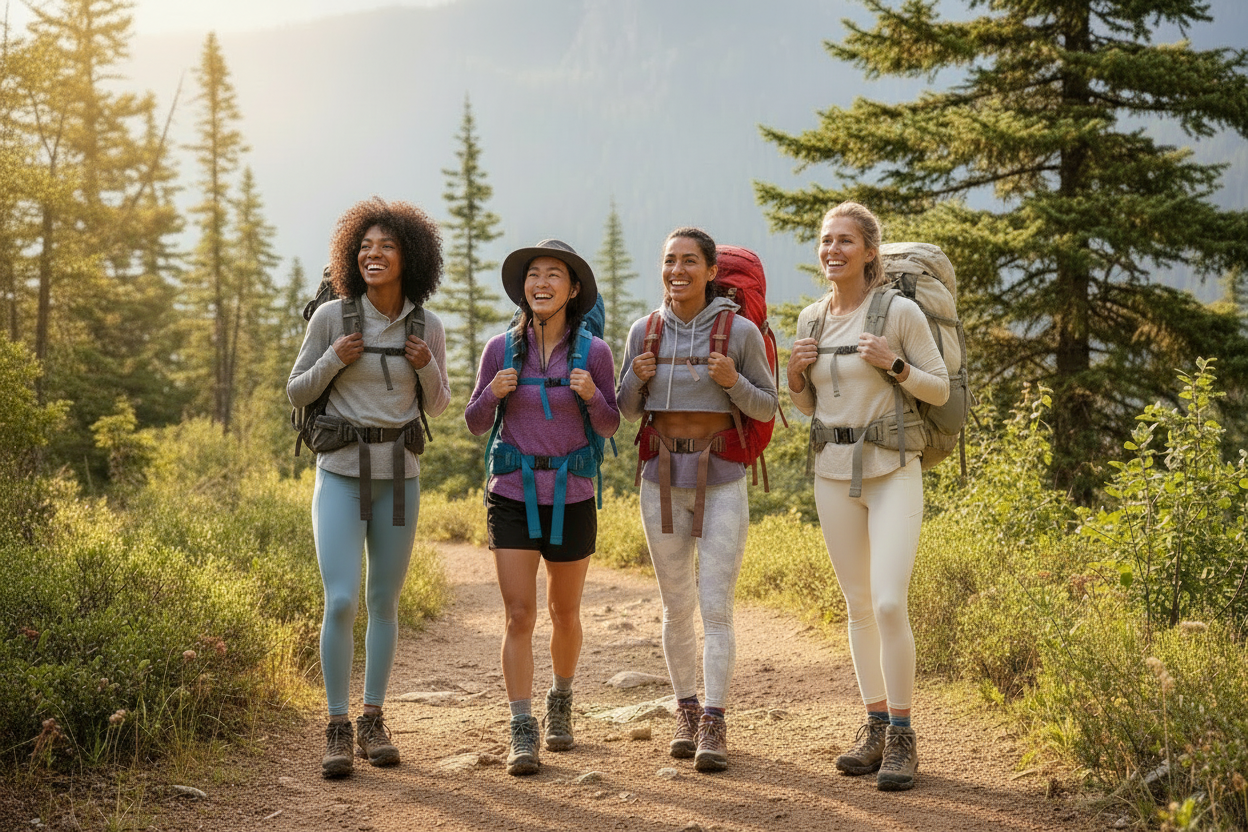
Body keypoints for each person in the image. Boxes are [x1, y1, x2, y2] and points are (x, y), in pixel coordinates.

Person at [787, 202, 949, 791]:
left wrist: (895, 365)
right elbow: (808, 408)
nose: (832, 250)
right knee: (857, 606)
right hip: (832, 472)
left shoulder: (898, 313)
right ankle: (875, 725)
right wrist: (795, 379)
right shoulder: (810, 318)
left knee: (886, 603)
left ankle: (904, 735)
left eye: (845, 241)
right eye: (826, 241)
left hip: (893, 469)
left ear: (870, 252)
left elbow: (937, 387)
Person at [287, 197, 451, 778]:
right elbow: (298, 391)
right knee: (341, 599)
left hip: (398, 480)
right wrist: (334, 357)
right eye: (364, 247)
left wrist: (427, 362)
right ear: (350, 257)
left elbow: (439, 402)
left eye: (385, 246)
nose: (372, 254)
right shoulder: (332, 317)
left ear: (411, 258)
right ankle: (336, 725)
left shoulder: (426, 324)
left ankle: (372, 719)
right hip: (339, 475)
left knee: (384, 602)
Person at [616, 227, 777, 772]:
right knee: (675, 605)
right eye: (669, 261)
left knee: (715, 606)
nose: (677, 271)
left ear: (711, 271)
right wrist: (635, 381)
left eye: (689, 261)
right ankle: (685, 709)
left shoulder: (741, 332)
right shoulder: (645, 330)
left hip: (723, 478)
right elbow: (626, 411)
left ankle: (713, 718)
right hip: (659, 479)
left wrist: (732, 380)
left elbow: (766, 407)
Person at [465, 239, 620, 776]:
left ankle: (561, 700)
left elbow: (610, 425)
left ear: (572, 290)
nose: (542, 283)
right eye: (534, 274)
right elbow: (475, 422)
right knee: (518, 614)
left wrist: (593, 397)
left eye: (555, 274)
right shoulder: (499, 350)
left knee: (565, 613)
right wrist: (493, 393)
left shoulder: (594, 354)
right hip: (511, 492)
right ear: (524, 287)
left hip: (573, 495)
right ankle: (521, 725)